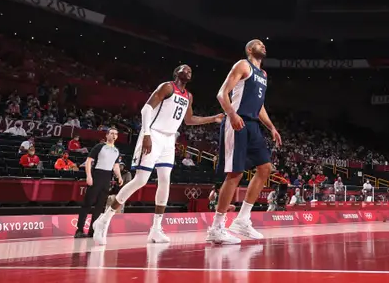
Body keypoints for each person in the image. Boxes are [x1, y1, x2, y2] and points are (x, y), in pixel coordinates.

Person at [91, 65, 223, 245]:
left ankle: (155, 229)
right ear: (176, 73)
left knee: (165, 180)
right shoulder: (167, 87)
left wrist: (212, 119)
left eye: (191, 70)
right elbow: (146, 109)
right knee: (141, 180)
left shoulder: (188, 96)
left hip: (169, 139)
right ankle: (103, 220)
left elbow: (189, 120)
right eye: (184, 68)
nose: (188, 70)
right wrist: (146, 134)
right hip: (153, 133)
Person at [209, 40, 282, 244]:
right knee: (235, 173)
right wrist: (231, 115)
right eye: (259, 44)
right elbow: (221, 94)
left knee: (265, 168)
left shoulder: (264, 75)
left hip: (253, 125)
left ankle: (242, 219)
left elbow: (259, 106)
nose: (263, 45)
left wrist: (271, 127)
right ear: (250, 50)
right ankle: (216, 227)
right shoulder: (243, 65)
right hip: (237, 121)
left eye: (264, 44)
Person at [75, 128, 123, 238]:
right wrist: (89, 176)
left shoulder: (116, 150)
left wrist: (119, 177)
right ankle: (79, 230)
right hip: (96, 176)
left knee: (100, 206)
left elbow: (115, 166)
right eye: (112, 133)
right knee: (87, 204)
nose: (114, 135)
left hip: (107, 178)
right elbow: (88, 161)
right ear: (107, 135)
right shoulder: (99, 147)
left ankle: (93, 231)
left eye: (116, 134)